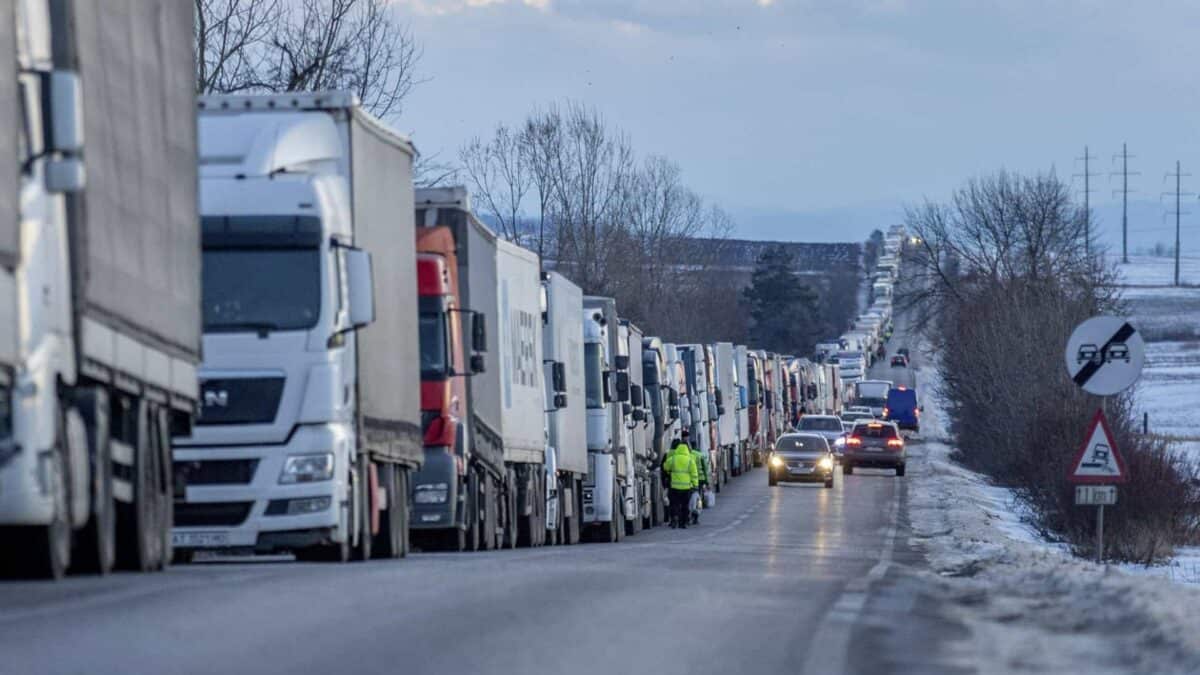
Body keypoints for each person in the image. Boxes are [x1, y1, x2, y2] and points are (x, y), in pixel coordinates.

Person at [662, 430, 698, 528]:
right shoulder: (690, 460)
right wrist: (695, 485)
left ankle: (674, 520)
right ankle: (684, 523)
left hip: (674, 487)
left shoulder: (673, 458)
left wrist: (670, 471)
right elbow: (694, 474)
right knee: (685, 505)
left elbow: (665, 467)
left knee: (675, 504)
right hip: (686, 488)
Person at [689, 442, 710, 525]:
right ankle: (696, 517)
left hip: (690, 481)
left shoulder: (689, 455)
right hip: (700, 480)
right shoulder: (700, 455)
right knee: (698, 499)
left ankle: (690, 514)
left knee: (691, 499)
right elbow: (705, 468)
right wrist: (707, 481)